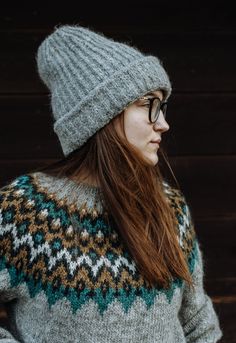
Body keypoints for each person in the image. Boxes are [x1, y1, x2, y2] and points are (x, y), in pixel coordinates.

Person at [0, 24, 223, 343]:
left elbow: (199, 322)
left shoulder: (169, 206)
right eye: (149, 105)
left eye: (163, 106)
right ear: (99, 115)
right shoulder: (23, 212)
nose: (163, 123)